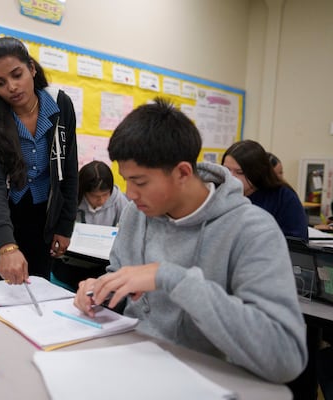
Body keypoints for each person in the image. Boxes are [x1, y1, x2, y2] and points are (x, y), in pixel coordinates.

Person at [74, 98, 307, 383]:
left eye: (141, 182)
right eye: (126, 180)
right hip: (134, 366)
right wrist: (102, 291)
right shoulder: (137, 213)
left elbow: (286, 357)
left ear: (183, 172)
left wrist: (172, 278)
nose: (130, 194)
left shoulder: (252, 230)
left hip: (206, 381)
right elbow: (123, 276)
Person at [0, 37, 78, 284]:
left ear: (31, 67)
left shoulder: (61, 105)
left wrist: (64, 226)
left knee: (36, 294)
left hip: (42, 223)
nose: (11, 87)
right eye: (0, 82)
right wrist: (6, 246)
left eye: (16, 74)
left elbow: (69, 171)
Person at [51, 160, 129, 291]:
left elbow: (129, 225)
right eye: (95, 196)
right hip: (70, 264)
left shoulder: (118, 200)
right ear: (84, 191)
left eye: (105, 195)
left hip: (100, 265)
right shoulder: (71, 202)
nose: (101, 200)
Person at [222, 140, 308, 240]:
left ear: (257, 172)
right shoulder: (219, 192)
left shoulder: (283, 197)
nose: (231, 177)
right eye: (226, 170)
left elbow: (297, 242)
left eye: (240, 172)